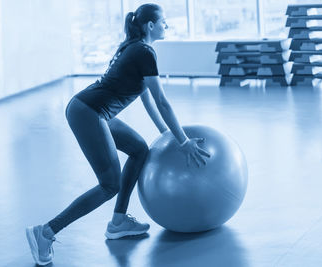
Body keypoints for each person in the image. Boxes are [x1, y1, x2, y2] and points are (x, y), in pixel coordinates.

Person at [25, 3, 210, 266]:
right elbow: (162, 100)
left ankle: (118, 221)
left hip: (92, 110)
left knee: (139, 149)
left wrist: (166, 134)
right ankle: (46, 232)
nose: (167, 26)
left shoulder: (134, 47)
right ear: (151, 26)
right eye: (164, 22)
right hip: (89, 112)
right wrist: (183, 141)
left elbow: (147, 98)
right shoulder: (144, 51)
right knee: (109, 184)